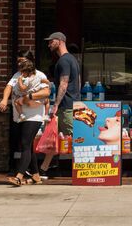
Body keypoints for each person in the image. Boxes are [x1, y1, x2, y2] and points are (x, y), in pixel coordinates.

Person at [39, 31, 81, 178]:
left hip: (66, 106)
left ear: (60, 41)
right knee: (53, 137)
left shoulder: (63, 61)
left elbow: (63, 83)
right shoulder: (73, 60)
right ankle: (43, 169)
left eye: (51, 41)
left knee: (76, 138)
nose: (49, 44)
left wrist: (56, 104)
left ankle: (86, 169)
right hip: (71, 103)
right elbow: (79, 82)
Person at [0, 49, 47, 174]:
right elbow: (9, 87)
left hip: (33, 114)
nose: (19, 64)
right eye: (18, 61)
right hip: (19, 115)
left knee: (25, 144)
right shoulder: (17, 75)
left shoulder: (40, 75)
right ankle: (36, 175)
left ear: (30, 61)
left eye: (21, 61)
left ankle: (19, 174)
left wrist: (27, 98)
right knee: (27, 145)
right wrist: (4, 100)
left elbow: (46, 92)